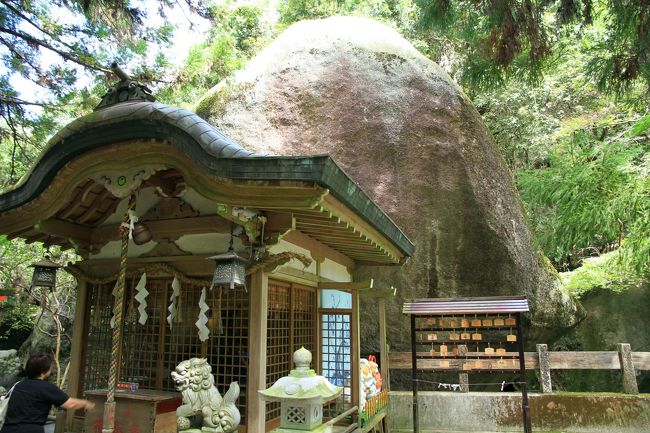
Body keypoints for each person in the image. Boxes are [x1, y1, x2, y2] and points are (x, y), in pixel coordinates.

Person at [0, 354, 95, 433]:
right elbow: (70, 404)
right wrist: (85, 403)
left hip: (8, 429)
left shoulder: (19, 385)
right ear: (43, 371)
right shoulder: (46, 387)